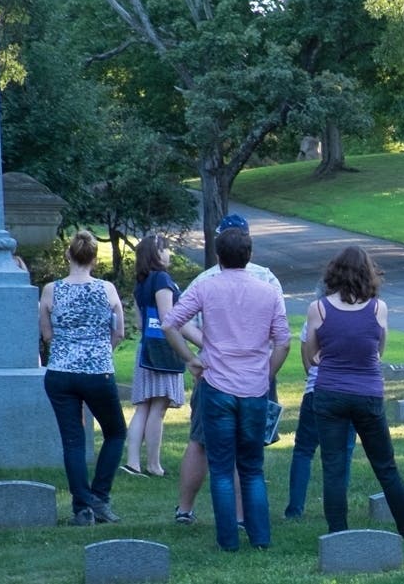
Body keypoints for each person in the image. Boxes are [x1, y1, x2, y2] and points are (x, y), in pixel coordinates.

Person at [162, 227, 291, 551]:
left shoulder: (207, 286)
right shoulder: (268, 290)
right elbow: (284, 342)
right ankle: (260, 537)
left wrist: (191, 359)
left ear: (218, 257)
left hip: (217, 387)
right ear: (249, 256)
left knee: (221, 468)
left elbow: (169, 323)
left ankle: (228, 541)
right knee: (252, 467)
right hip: (253, 388)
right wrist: (267, 373)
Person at [303, 246, 404, 541]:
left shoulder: (318, 308)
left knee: (333, 466)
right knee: (386, 466)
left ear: (334, 272)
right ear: (369, 274)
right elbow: (379, 350)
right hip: (367, 393)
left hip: (329, 393)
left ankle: (338, 534)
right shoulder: (378, 308)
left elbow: (312, 352)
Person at [39, 230, 127, 526]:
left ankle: (82, 508)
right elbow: (119, 332)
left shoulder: (51, 290)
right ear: (94, 259)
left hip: (61, 373)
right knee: (115, 432)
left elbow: (47, 335)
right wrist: (101, 350)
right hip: (97, 372)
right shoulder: (107, 290)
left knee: (73, 440)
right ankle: (99, 496)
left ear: (68, 255)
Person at [122, 234, 185, 478]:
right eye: (165, 249)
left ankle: (133, 462)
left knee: (143, 407)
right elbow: (169, 319)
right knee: (158, 408)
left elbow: (139, 322)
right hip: (163, 351)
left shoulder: (141, 283)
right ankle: (154, 464)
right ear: (154, 255)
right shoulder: (162, 279)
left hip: (145, 349)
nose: (169, 253)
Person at [284, 319, 357, 520]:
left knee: (303, 451)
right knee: (344, 451)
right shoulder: (359, 315)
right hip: (349, 390)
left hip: (316, 389)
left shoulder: (314, 316)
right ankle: (337, 508)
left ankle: (295, 509)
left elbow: (308, 362)